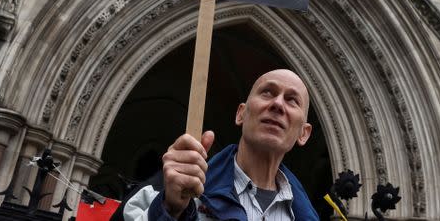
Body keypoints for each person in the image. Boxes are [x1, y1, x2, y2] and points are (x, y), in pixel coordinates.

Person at [115, 69, 318, 221]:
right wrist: (170, 209)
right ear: (241, 114)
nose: (278, 104)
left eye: (292, 100)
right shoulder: (172, 190)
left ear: (304, 134)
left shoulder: (305, 215)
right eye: (267, 92)